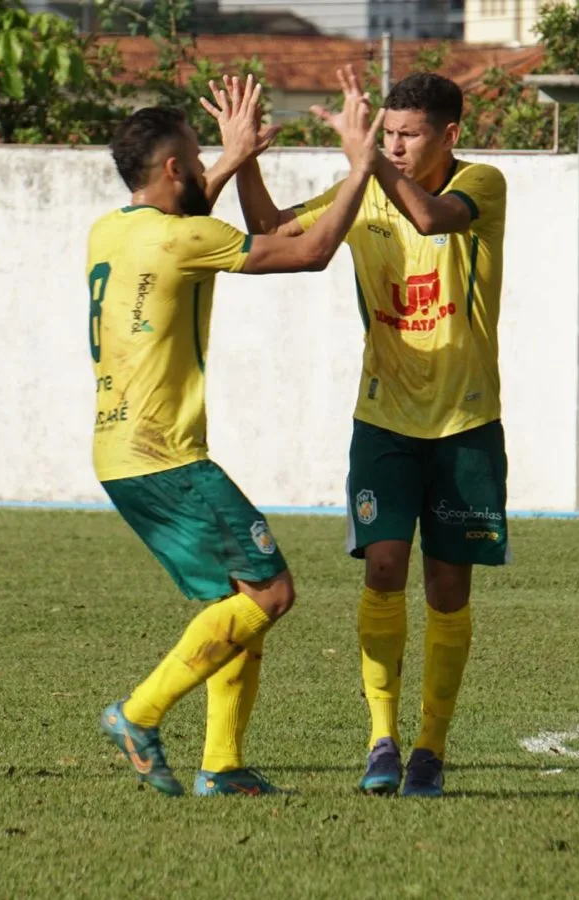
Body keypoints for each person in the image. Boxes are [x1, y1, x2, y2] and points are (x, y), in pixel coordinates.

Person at [88, 76, 381, 796]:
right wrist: (362, 169)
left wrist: (237, 156)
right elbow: (309, 251)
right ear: (173, 171)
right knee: (272, 593)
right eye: (198, 155)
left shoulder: (114, 230)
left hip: (120, 454)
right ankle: (140, 712)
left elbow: (188, 217)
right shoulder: (186, 237)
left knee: (237, 599)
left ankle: (222, 764)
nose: (203, 164)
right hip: (167, 456)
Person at [234, 68, 509, 797]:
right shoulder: (366, 187)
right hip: (383, 419)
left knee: (448, 588)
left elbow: (428, 218)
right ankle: (381, 741)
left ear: (450, 135)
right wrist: (246, 158)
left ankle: (430, 747)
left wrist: (368, 166)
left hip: (466, 422)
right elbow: (269, 230)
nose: (392, 146)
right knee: (384, 566)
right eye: (385, 133)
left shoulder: (482, 185)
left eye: (407, 136)